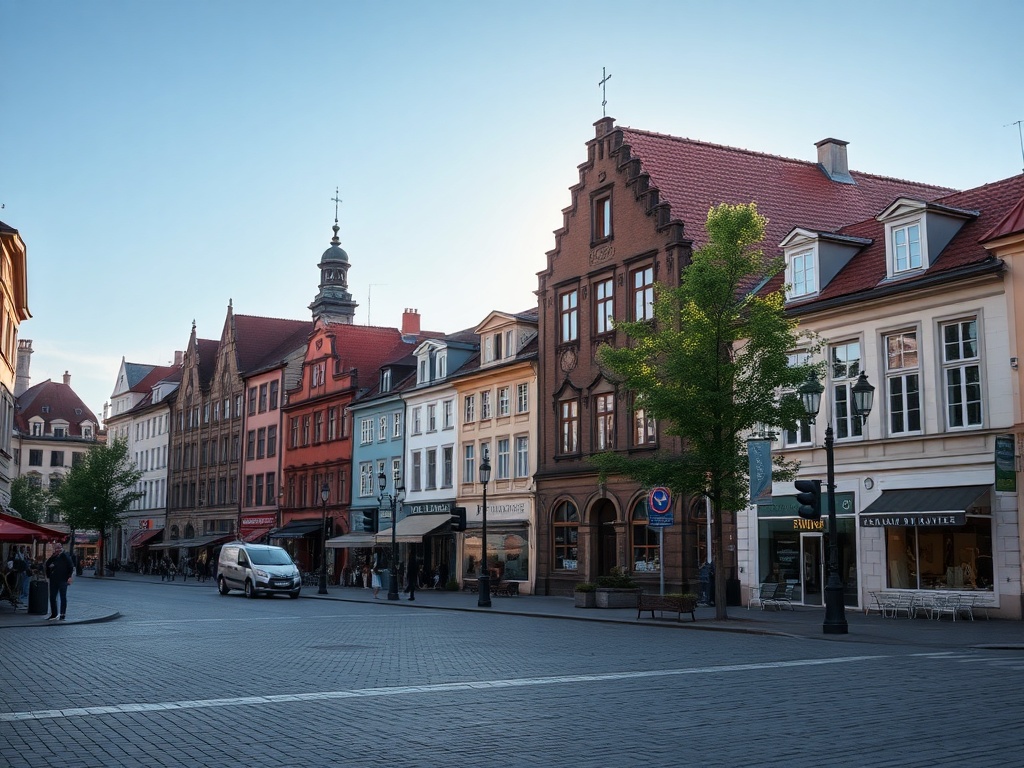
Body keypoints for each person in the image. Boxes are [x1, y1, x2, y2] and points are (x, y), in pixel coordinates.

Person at [45, 541, 75, 621]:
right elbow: (47, 565)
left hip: (63, 579)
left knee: (63, 597)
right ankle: (54, 614)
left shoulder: (65, 555)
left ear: (61, 548)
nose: (58, 549)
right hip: (53, 579)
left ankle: (62, 614)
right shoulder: (54, 557)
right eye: (56, 548)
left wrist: (69, 577)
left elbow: (70, 566)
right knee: (52, 597)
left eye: (59, 548)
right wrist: (52, 557)